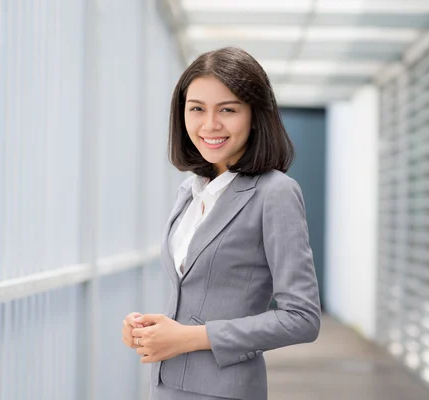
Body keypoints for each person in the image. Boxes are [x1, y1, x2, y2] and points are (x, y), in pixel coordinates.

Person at [121, 47, 321, 400]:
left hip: (224, 391)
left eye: (227, 110)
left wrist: (190, 337)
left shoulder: (276, 193)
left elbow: (302, 317)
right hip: (165, 386)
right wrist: (149, 330)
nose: (209, 124)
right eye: (196, 108)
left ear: (255, 116)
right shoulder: (191, 190)